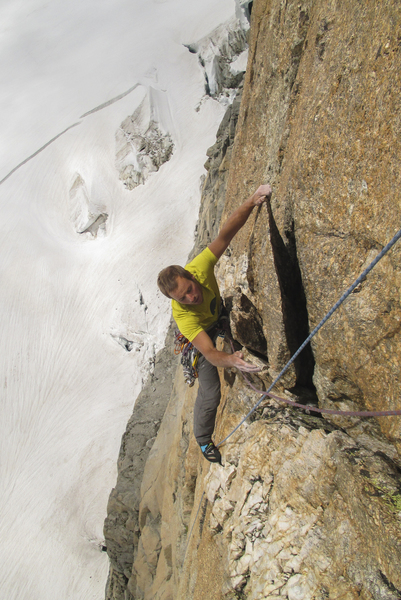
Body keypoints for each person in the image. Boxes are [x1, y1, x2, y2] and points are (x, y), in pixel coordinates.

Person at [157, 184, 272, 464]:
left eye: (190, 288)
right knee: (211, 392)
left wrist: (251, 200)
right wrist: (232, 360)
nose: (191, 296)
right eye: (183, 297)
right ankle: (203, 440)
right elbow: (209, 352)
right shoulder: (183, 316)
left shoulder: (200, 266)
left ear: (192, 276)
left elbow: (226, 233)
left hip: (219, 313)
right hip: (201, 337)